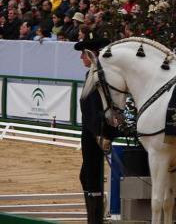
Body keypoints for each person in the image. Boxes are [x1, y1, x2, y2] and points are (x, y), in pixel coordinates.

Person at [74, 38, 119, 224]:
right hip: (91, 131)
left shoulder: (101, 76)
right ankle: (93, 217)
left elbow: (97, 107)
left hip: (96, 132)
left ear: (92, 54)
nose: (81, 57)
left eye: (83, 53)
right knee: (88, 175)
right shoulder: (91, 74)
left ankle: (95, 219)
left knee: (91, 175)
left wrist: (102, 134)